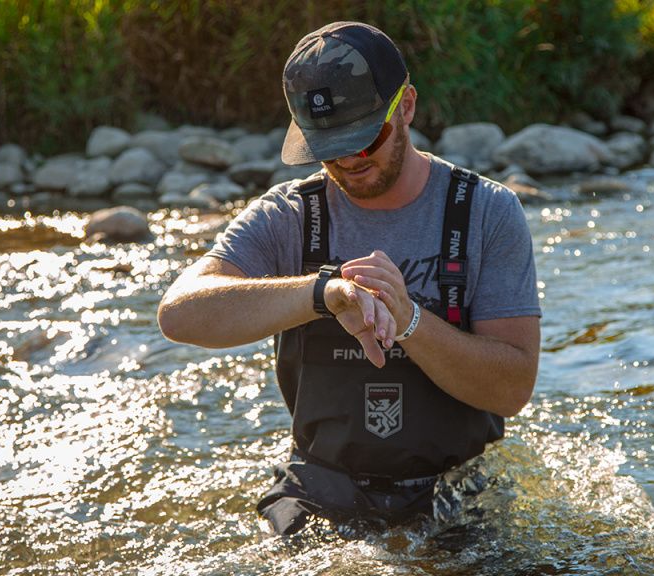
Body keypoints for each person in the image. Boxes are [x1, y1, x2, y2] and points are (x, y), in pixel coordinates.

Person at [158, 21, 541, 535]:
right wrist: (324, 293)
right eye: (329, 146)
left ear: (405, 106)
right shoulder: (287, 217)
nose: (348, 161)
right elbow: (180, 313)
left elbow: (513, 389)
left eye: (365, 139)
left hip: (458, 489)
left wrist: (410, 322)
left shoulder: (487, 213)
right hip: (322, 488)